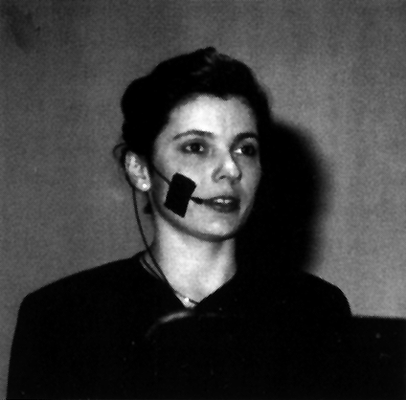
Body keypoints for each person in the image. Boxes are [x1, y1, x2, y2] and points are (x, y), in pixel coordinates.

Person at [7, 47, 352, 399]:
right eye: (196, 147)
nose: (231, 169)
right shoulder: (62, 316)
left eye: (245, 148)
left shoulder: (313, 311)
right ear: (140, 170)